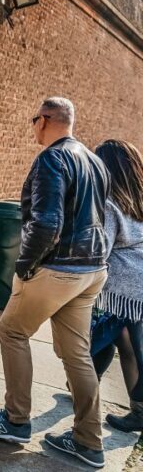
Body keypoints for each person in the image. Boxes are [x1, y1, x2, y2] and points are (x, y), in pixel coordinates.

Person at [0, 97, 110, 469]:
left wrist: (23, 265)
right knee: (77, 354)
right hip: (93, 269)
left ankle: (16, 420)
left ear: (46, 120)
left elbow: (47, 222)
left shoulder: (52, 158)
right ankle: (88, 442)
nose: (33, 126)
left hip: (59, 266)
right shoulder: (95, 161)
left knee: (12, 332)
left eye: (34, 120)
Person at [89, 140, 143, 433]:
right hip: (135, 292)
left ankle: (84, 391)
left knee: (103, 338)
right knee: (125, 343)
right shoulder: (139, 199)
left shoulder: (109, 205)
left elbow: (99, 251)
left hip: (125, 293)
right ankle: (136, 411)